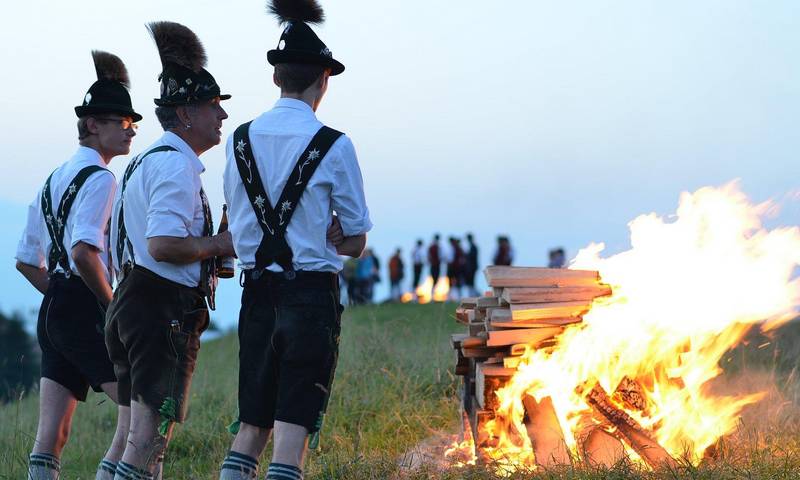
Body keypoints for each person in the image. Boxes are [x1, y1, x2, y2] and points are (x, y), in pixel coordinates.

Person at [219, 1, 371, 478]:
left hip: (257, 292)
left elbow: (238, 216)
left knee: (252, 424)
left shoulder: (238, 140)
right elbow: (355, 239)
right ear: (323, 80)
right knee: (292, 429)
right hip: (309, 296)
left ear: (275, 77)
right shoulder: (335, 144)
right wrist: (337, 237)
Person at [104, 22, 235, 479]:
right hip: (162, 308)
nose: (221, 117)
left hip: (134, 301)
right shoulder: (177, 168)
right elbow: (162, 245)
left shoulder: (146, 160)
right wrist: (221, 243)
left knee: (130, 440)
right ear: (185, 113)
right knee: (149, 438)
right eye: (213, 106)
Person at [14, 51, 139, 480]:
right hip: (87, 304)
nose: (132, 130)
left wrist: (61, 295)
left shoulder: (53, 177)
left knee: (52, 434)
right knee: (136, 408)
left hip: (55, 309)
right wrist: (110, 304)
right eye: (123, 122)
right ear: (92, 125)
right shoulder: (102, 179)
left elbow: (26, 262)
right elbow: (86, 251)